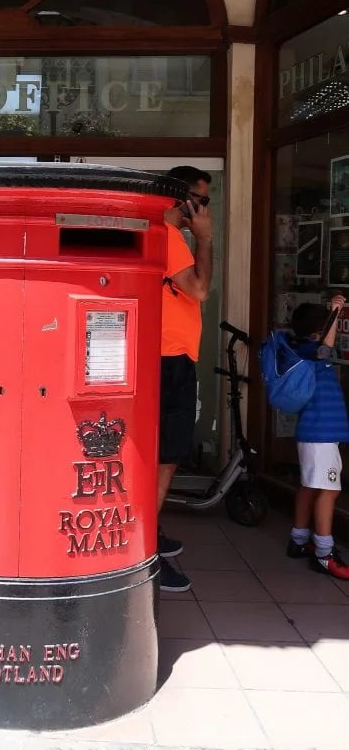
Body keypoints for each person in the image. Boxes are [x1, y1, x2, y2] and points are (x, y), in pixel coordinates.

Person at [157, 166, 214, 592]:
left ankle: (148, 533)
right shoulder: (168, 236)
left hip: (170, 356)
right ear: (184, 199)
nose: (204, 209)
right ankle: (146, 549)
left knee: (164, 456)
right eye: (202, 200)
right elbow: (198, 289)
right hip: (168, 360)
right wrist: (206, 237)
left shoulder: (162, 236)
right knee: (164, 457)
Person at [286, 296, 349, 579]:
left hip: (314, 432)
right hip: (321, 434)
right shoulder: (313, 351)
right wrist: (336, 312)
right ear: (316, 332)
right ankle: (324, 552)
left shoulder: (301, 349)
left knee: (310, 486)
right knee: (329, 489)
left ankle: (298, 541)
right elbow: (327, 347)